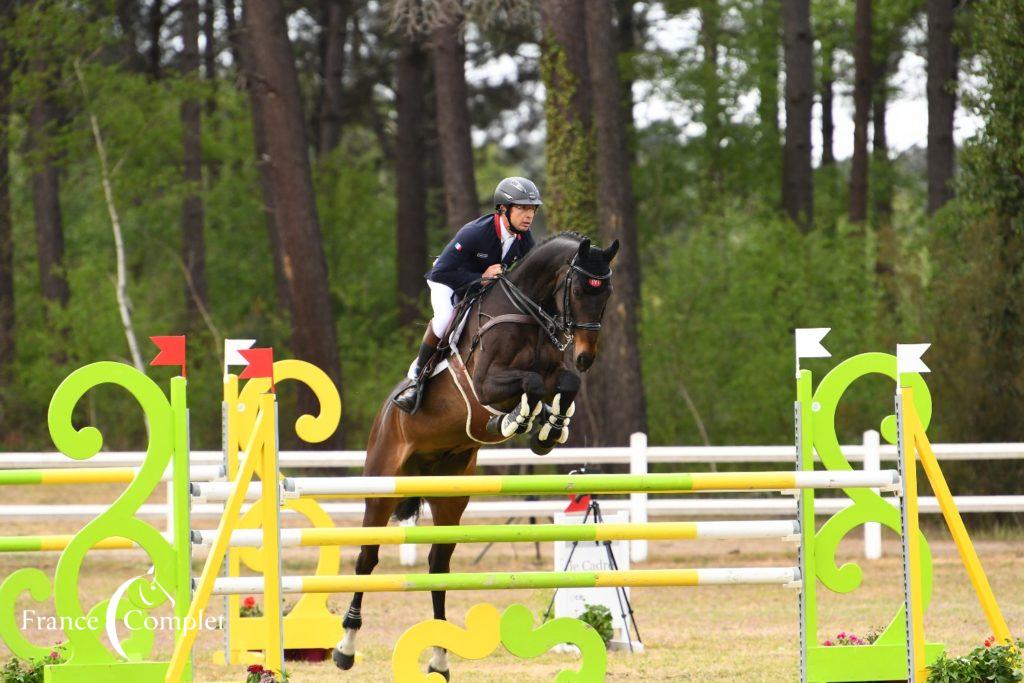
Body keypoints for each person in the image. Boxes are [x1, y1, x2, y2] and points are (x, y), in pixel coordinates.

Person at [393, 176, 542, 413]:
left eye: (532, 209)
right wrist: (481, 277)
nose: (529, 215)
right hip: (448, 282)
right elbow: (442, 272)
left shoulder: (525, 240)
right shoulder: (475, 233)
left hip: (483, 285)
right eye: (523, 208)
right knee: (445, 318)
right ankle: (417, 380)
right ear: (503, 208)